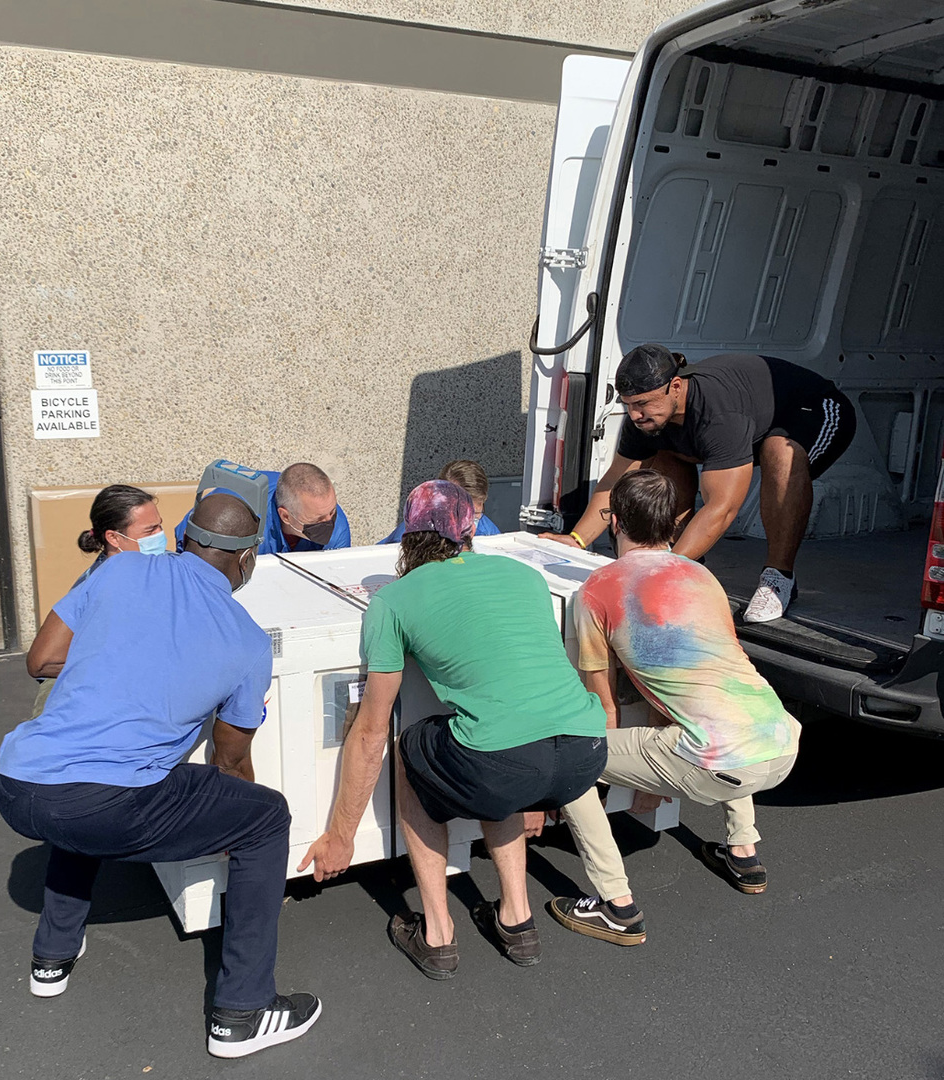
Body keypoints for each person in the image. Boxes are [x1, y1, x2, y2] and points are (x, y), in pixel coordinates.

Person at [0, 491, 321, 1058]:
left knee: (89, 795)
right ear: (246, 560)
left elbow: (42, 658)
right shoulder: (246, 640)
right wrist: (232, 833)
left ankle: (52, 958)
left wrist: (117, 662)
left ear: (182, 536)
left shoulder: (117, 572)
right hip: (105, 802)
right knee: (265, 818)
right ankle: (242, 1013)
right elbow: (230, 759)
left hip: (19, 782)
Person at [299, 480, 607, 978]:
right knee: (499, 741)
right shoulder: (524, 575)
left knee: (410, 746)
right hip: (586, 754)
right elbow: (530, 690)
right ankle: (517, 920)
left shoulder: (393, 601)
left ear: (409, 534)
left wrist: (340, 835)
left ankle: (437, 934)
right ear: (470, 530)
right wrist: (534, 799)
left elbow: (370, 731)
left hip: (510, 765)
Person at [544, 469, 800, 947]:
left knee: (570, 762)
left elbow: (602, 704)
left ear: (615, 522)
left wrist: (620, 780)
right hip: (781, 741)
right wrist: (650, 773)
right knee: (720, 712)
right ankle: (742, 850)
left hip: (714, 762)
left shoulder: (598, 590)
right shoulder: (702, 575)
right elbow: (693, 682)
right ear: (675, 523)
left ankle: (615, 906)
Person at [541, 346, 857, 622]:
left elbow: (723, 506)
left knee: (781, 453)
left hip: (816, 409)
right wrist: (577, 539)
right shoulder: (646, 417)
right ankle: (684, 560)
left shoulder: (718, 412)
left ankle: (778, 576)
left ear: (675, 386)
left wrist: (665, 569)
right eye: (629, 404)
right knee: (663, 459)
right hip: (752, 421)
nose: (636, 414)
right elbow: (614, 480)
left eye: (643, 404)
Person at [29, 484, 165, 718]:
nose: (160, 534)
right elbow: (40, 663)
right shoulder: (98, 585)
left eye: (160, 525)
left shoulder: (144, 570)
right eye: (150, 530)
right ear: (114, 537)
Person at [174, 462, 350, 554]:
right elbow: (194, 553)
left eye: (332, 512)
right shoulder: (235, 512)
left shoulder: (337, 527)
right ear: (286, 516)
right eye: (318, 520)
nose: (330, 523)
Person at [379, 459, 501, 543]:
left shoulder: (488, 532)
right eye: (459, 513)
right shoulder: (413, 536)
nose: (471, 527)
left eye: (474, 515)